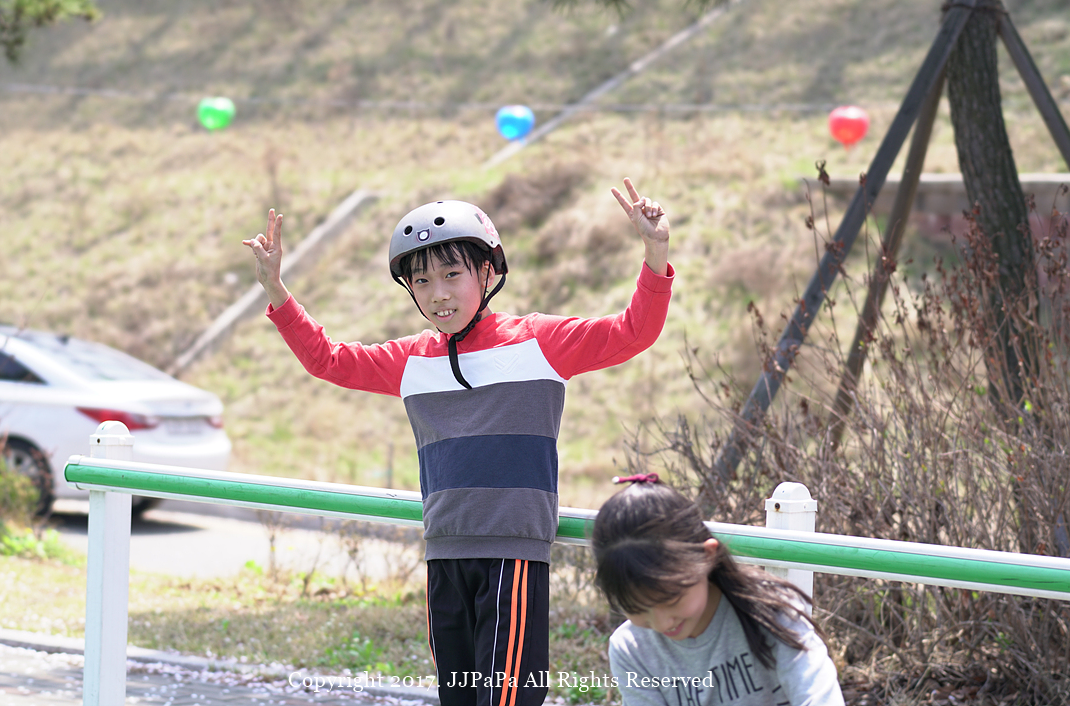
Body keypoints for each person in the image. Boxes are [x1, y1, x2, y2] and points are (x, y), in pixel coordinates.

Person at [242, 178, 674, 706]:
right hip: (444, 552)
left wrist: (655, 252)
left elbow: (634, 332)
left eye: (452, 274)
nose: (439, 294)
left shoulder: (539, 341)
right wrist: (276, 290)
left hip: (512, 554)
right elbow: (327, 360)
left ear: (488, 271)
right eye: (422, 281)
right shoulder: (410, 359)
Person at [592, 474, 844, 706]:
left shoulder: (771, 611)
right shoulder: (631, 649)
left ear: (706, 556)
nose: (661, 623)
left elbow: (819, 697)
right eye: (637, 609)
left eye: (670, 600)